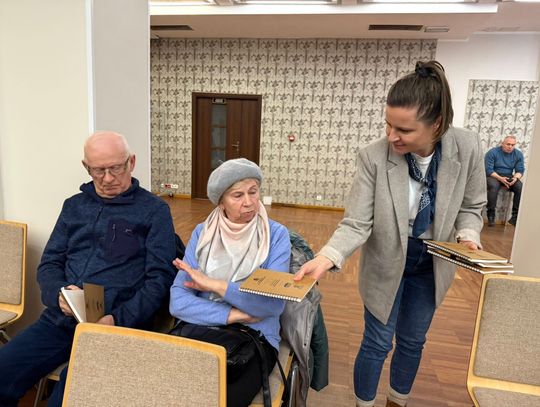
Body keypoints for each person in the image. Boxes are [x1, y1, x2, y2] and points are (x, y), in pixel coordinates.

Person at [295, 61, 486, 407]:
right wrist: (326, 257)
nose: (391, 135)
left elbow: (472, 206)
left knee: (413, 342)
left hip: (433, 261)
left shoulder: (468, 147)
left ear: (437, 124)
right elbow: (357, 222)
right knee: (377, 342)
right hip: (387, 260)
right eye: (388, 123)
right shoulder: (373, 156)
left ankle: (397, 402)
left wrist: (467, 235)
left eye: (404, 129)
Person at [0, 131, 177, 406]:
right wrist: (58, 294)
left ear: (131, 162)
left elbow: (160, 279)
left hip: (117, 327)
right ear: (86, 167)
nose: (107, 178)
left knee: (68, 398)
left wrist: (117, 319)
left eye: (115, 168)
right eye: (98, 170)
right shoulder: (74, 206)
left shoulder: (154, 211)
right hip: (61, 320)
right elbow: (50, 263)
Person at [169, 158, 291, 407]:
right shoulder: (203, 233)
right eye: (237, 195)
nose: (249, 202)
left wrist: (216, 285)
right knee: (168, 391)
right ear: (221, 201)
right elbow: (178, 302)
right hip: (201, 329)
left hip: (254, 337)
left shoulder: (276, 235)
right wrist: (233, 314)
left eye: (253, 192)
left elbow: (272, 305)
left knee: (223, 400)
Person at [484, 135, 525, 226]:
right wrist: (500, 178)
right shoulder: (492, 152)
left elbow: (520, 170)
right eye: (508, 144)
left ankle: (514, 217)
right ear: (502, 143)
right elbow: (488, 170)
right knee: (494, 187)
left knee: (520, 187)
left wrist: (515, 178)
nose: (510, 147)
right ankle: (491, 215)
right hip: (494, 175)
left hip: (508, 176)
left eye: (513, 145)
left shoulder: (518, 154)